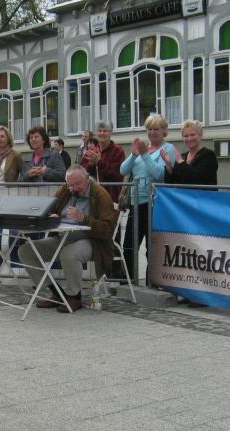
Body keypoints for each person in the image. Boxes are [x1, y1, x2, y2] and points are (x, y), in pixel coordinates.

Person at [18, 165, 117, 312]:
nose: (74, 188)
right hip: (62, 237)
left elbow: (108, 229)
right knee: (26, 250)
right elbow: (50, 208)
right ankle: (57, 293)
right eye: (71, 185)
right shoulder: (65, 190)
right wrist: (52, 216)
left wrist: (83, 218)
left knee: (69, 254)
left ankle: (74, 297)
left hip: (92, 241)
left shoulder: (101, 195)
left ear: (87, 179)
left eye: (78, 184)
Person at [119, 114, 176, 278]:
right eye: (149, 129)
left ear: (164, 131)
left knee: (152, 246)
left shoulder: (168, 149)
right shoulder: (143, 148)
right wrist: (133, 155)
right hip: (136, 202)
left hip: (154, 203)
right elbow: (123, 170)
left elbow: (159, 174)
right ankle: (129, 280)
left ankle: (152, 280)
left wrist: (144, 155)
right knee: (129, 245)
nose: (152, 132)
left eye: (156, 129)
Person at [162, 120, 218, 185]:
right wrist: (168, 165)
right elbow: (170, 183)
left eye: (192, 135)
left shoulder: (209, 155)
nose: (189, 139)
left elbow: (197, 179)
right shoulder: (183, 157)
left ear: (201, 135)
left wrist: (180, 161)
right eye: (186, 136)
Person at [80, 121, 125, 201]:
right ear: (95, 133)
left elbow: (117, 174)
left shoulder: (118, 151)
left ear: (111, 133)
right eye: (99, 131)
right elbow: (81, 173)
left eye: (105, 131)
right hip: (92, 197)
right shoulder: (91, 152)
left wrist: (99, 162)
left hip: (111, 197)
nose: (102, 133)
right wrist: (90, 165)